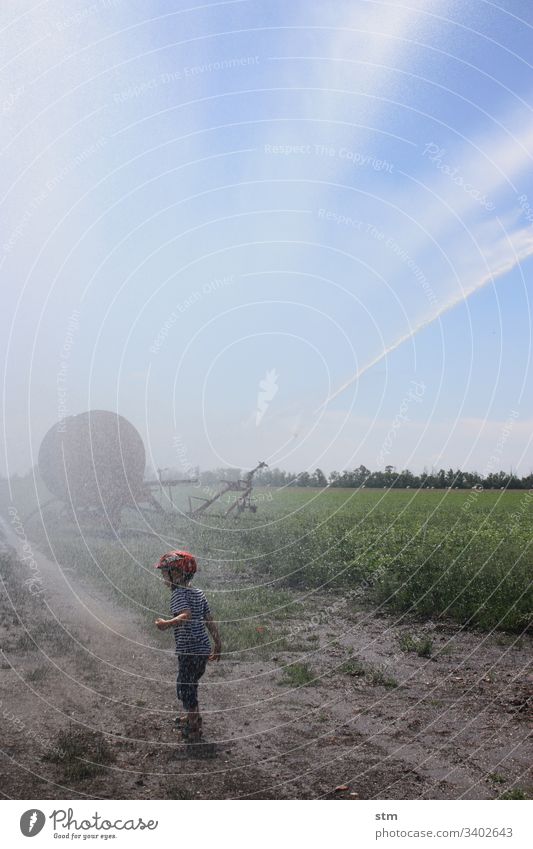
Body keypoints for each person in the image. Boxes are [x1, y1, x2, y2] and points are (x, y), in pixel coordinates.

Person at [154, 550, 221, 741]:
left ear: (176, 574)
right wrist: (218, 643)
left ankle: (193, 729)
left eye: (164, 572)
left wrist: (166, 624)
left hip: (189, 650)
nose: (162, 577)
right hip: (202, 649)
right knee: (191, 684)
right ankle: (193, 717)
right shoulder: (199, 593)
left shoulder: (177, 594)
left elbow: (185, 615)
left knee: (185, 688)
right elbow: (209, 619)